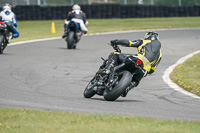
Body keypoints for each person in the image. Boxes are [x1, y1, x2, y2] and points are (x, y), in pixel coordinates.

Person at [103, 32, 162, 97]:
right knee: (136, 80)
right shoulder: (160, 54)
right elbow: (152, 70)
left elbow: (129, 43)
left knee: (115, 55)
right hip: (145, 69)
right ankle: (128, 87)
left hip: (137, 59)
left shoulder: (144, 41)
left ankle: (108, 69)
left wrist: (116, 41)